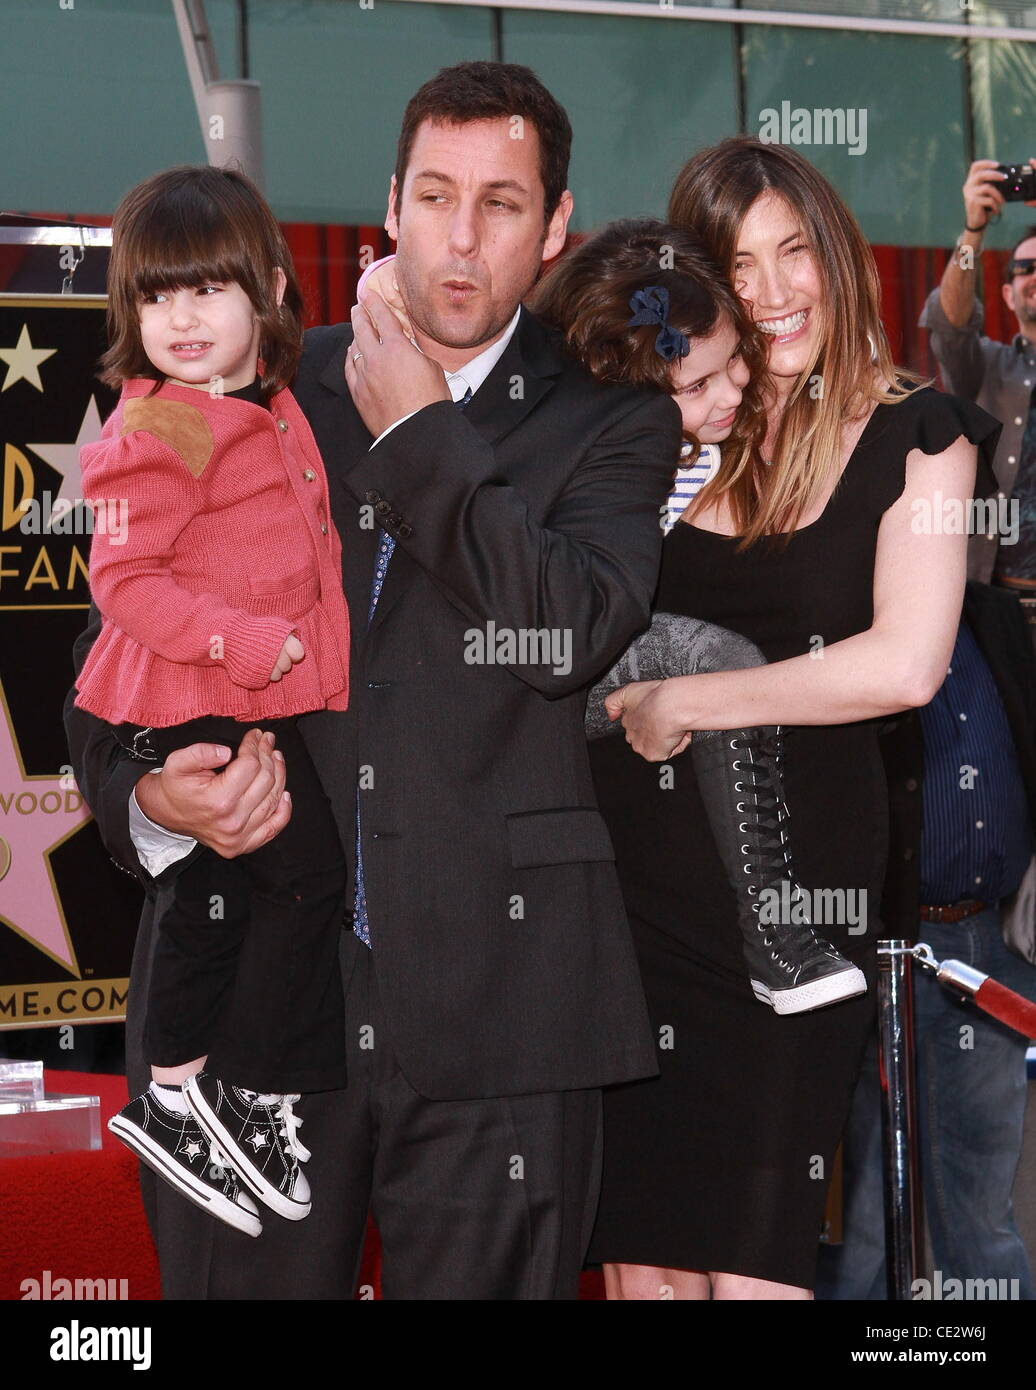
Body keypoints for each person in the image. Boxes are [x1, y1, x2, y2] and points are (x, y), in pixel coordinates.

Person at [63, 60, 682, 1300]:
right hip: (253, 1002)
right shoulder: (251, 378)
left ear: (555, 229)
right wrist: (154, 800)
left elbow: (564, 629)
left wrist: (416, 436)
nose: (460, 236)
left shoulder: (617, 417)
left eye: (501, 205)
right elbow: (113, 653)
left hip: (506, 1012)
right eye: (436, 194)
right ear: (389, 203)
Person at [582, 136, 1000, 1299]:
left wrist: (682, 701)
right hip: (625, 908)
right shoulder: (652, 425)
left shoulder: (923, 432)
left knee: (753, 1265)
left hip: (792, 927)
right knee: (643, 1270)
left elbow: (904, 665)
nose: (769, 294)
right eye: (736, 264)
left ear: (837, 254)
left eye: (791, 252)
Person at [366, 222, 867, 1014]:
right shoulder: (604, 441)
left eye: (735, 361)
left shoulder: (700, 443)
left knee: (713, 657)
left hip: (569, 698)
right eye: (698, 385)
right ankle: (776, 935)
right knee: (721, 658)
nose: (734, 389)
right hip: (497, 683)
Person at [74, 165, 353, 1235]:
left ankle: (200, 1089)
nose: (179, 316)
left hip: (246, 702)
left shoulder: (270, 408)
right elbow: (125, 581)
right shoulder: (168, 426)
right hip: (185, 699)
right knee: (278, 877)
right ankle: (206, 1088)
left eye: (206, 289)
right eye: (155, 294)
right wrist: (241, 640)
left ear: (273, 291)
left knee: (244, 888)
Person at [817, 580, 1036, 1301]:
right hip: (865, 958)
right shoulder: (832, 613)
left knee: (978, 1199)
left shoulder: (993, 614)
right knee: (864, 1214)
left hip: (986, 947)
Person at [918, 159, 1036, 595]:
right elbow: (950, 325)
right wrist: (973, 233)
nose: (1035, 274)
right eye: (1025, 268)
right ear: (1006, 294)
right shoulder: (983, 366)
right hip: (996, 599)